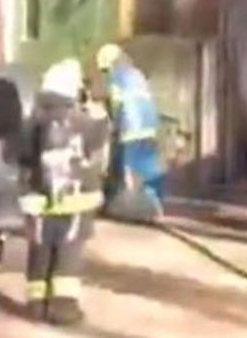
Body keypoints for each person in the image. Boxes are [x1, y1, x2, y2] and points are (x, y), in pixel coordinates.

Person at [18, 58, 110, 325]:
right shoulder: (84, 121)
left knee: (40, 251)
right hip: (75, 202)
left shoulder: (33, 121)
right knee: (68, 253)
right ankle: (63, 308)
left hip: (39, 203)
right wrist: (101, 116)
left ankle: (36, 305)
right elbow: (98, 144)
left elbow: (21, 155)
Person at [97, 43, 166, 217]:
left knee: (126, 170)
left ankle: (126, 207)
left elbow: (116, 106)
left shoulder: (115, 79)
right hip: (150, 127)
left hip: (130, 129)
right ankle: (155, 205)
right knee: (149, 168)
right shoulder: (137, 75)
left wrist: (112, 126)